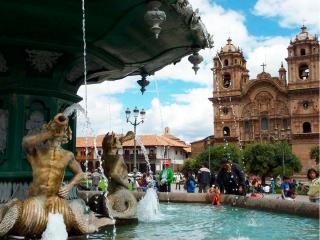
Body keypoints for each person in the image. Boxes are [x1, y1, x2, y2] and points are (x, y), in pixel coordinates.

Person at [22, 113, 84, 198]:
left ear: (66, 133)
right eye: (54, 127)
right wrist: (48, 134)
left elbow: (80, 174)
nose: (57, 131)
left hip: (56, 199)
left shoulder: (68, 155)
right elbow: (25, 143)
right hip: (36, 198)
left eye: (63, 129)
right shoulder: (38, 152)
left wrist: (69, 186)